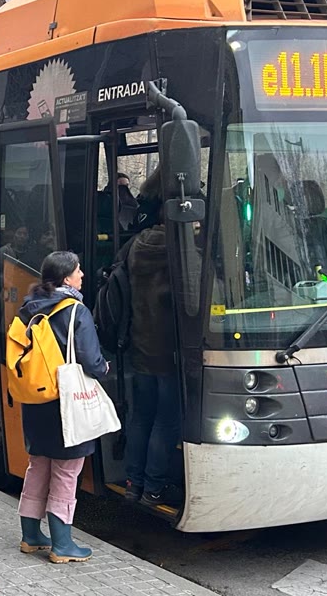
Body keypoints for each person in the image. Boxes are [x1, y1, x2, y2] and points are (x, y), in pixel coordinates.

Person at [16, 250, 108, 564]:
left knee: (38, 465)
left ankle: (30, 535)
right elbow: (90, 359)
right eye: (78, 270)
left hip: (35, 400)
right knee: (67, 472)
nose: (82, 275)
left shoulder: (28, 308)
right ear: (66, 277)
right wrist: (104, 368)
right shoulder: (75, 310)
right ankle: (62, 543)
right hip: (67, 402)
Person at [124, 172, 182, 508]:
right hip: (168, 351)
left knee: (141, 416)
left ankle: (134, 483)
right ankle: (154, 488)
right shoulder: (178, 250)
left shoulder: (138, 244)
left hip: (140, 346)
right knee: (166, 420)